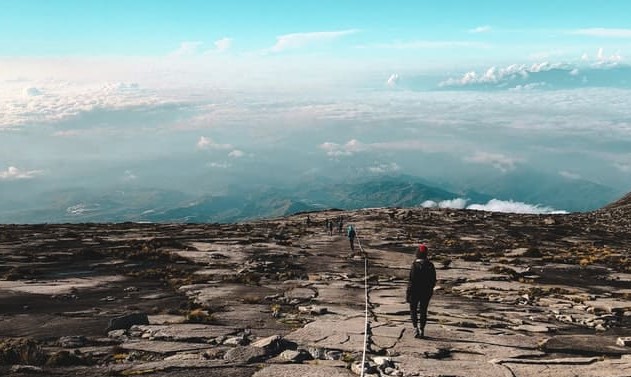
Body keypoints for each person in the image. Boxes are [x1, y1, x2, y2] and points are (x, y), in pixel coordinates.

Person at [406, 244, 436, 339]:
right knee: (423, 310)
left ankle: (415, 328)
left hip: (415, 291)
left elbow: (411, 280)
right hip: (426, 292)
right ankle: (422, 329)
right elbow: (433, 280)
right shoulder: (430, 265)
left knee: (413, 309)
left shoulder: (415, 265)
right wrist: (430, 290)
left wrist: (408, 293)